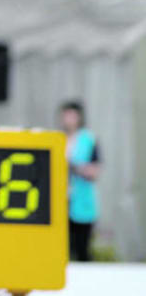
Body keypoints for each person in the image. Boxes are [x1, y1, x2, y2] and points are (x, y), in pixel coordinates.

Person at [60, 100, 101, 261]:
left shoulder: (89, 139)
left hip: (82, 201)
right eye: (66, 115)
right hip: (62, 200)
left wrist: (73, 166)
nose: (68, 119)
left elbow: (95, 170)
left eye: (72, 115)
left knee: (82, 249)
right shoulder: (59, 139)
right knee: (63, 249)